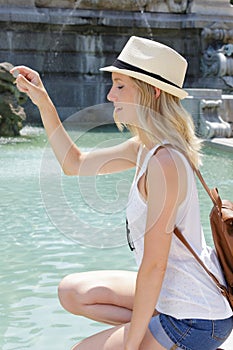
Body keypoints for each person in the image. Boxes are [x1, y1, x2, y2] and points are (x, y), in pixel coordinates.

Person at [11, 36, 233, 350]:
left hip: (194, 319)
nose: (109, 94)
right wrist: (43, 102)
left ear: (152, 92)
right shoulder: (145, 147)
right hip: (173, 292)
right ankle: (152, 326)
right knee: (72, 292)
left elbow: (154, 266)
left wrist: (130, 344)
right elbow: (75, 164)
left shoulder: (165, 163)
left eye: (120, 86)